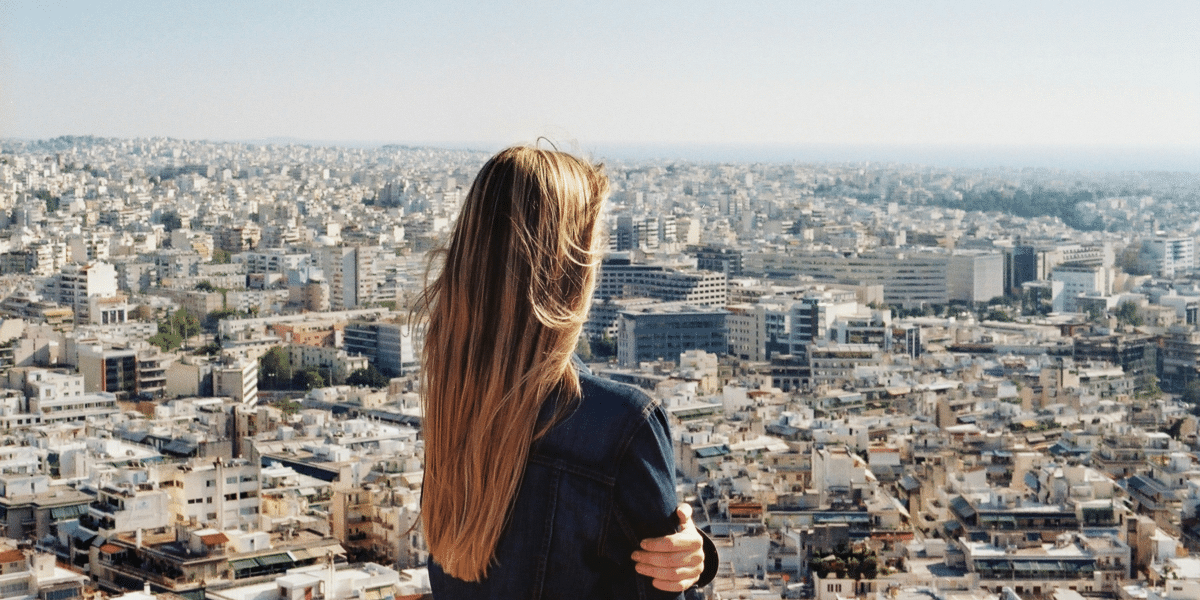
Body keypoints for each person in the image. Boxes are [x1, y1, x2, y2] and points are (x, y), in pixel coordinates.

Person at [417, 146, 717, 598]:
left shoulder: (452, 414)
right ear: (570, 269)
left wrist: (694, 556)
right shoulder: (621, 428)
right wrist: (694, 561)